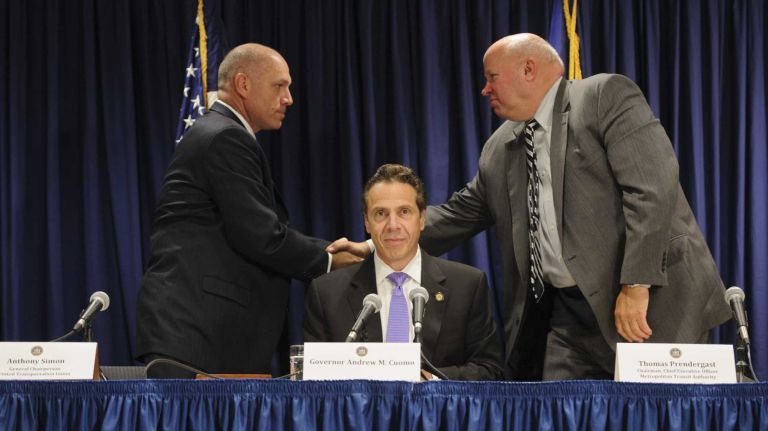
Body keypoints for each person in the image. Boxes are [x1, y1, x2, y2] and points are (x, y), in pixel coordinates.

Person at [331, 34, 732, 380]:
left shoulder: (602, 96)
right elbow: (460, 214)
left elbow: (653, 189)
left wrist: (636, 285)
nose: (484, 90)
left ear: (528, 69)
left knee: (661, 415)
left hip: (650, 305)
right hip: (566, 319)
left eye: (492, 77)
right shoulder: (500, 146)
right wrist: (372, 246)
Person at [136, 43, 361, 378]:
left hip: (204, 335)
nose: (289, 99)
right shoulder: (225, 137)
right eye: (279, 86)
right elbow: (261, 236)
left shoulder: (221, 133)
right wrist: (329, 259)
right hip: (197, 337)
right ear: (243, 84)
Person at [305, 164, 504, 380]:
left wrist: (430, 382)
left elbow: (489, 371)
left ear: (421, 219)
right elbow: (313, 379)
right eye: (380, 213)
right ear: (366, 222)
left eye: (404, 212)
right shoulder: (327, 293)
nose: (393, 225)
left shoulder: (467, 286)